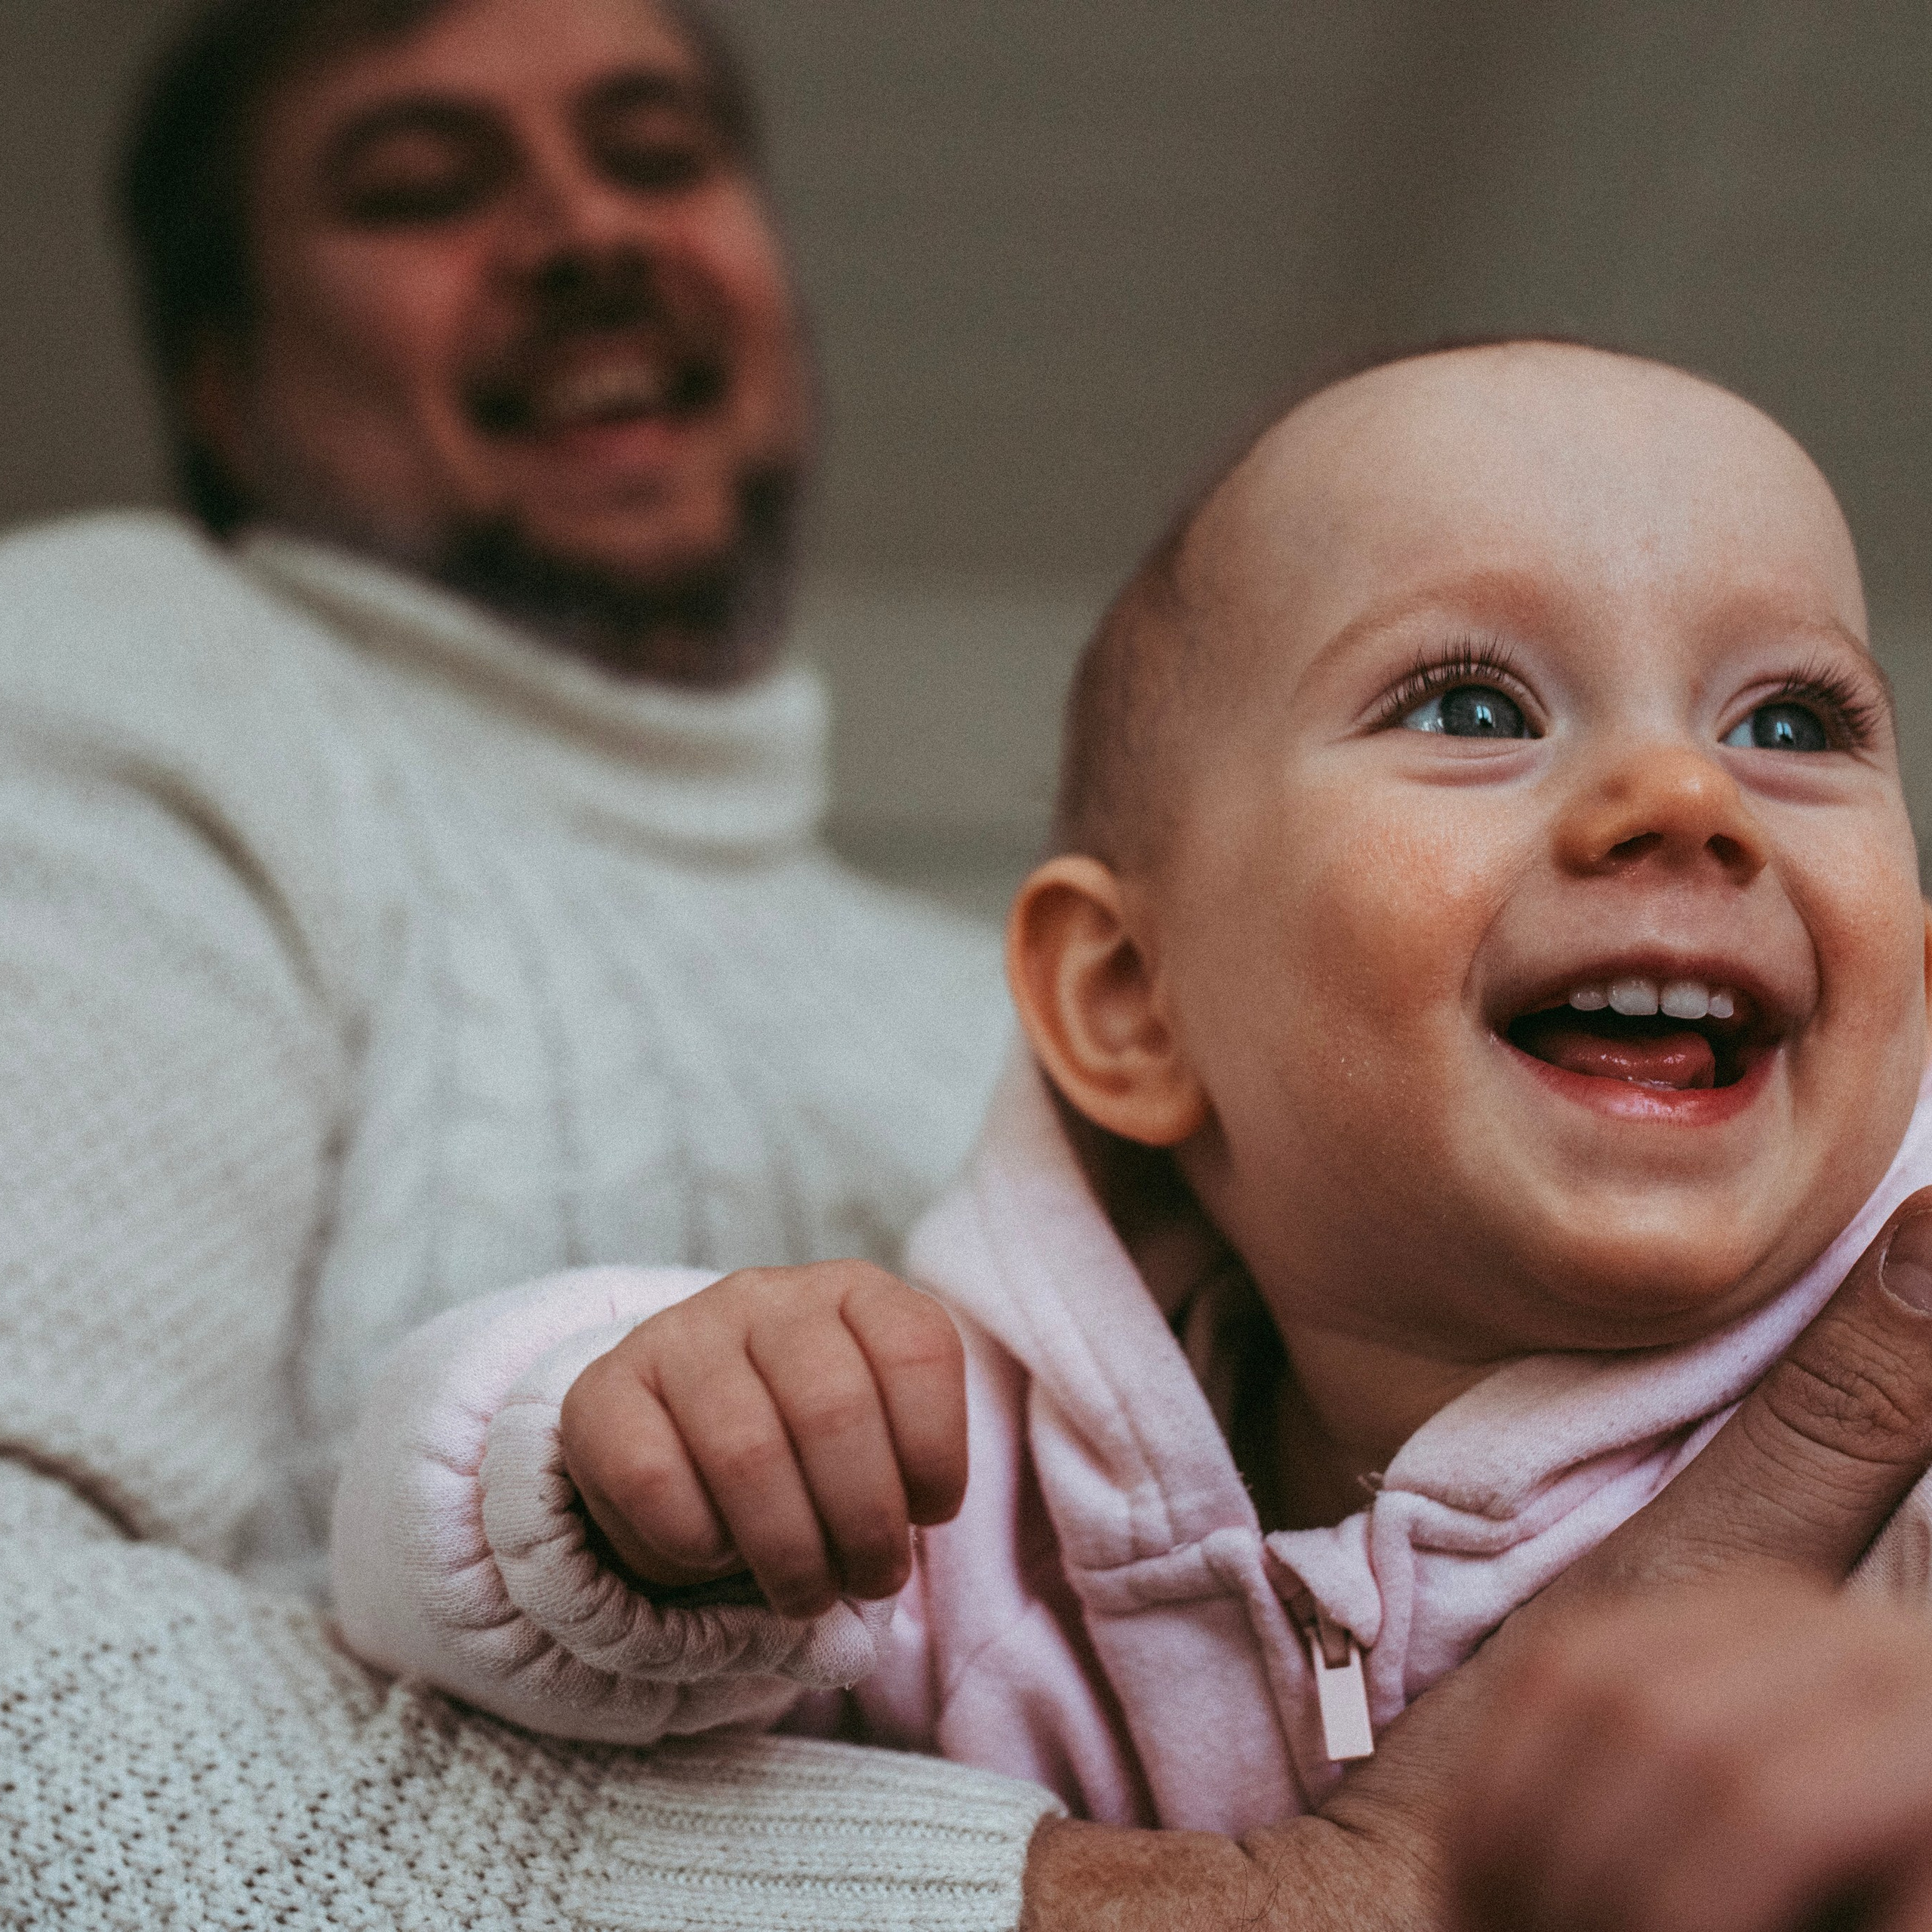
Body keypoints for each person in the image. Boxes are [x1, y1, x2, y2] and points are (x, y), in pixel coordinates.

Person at [3, 0, 1930, 1912]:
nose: (1682, 790)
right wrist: (591, 1469)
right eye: (421, 185)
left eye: (1793, 723)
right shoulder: (128, 669)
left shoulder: (1005, 1049)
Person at [327, 338, 1932, 1848]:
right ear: (1128, 1005)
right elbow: (433, 1597)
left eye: (1789, 721)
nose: (1684, 792)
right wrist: (624, 1463)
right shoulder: (978, 1506)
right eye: (1469, 708)